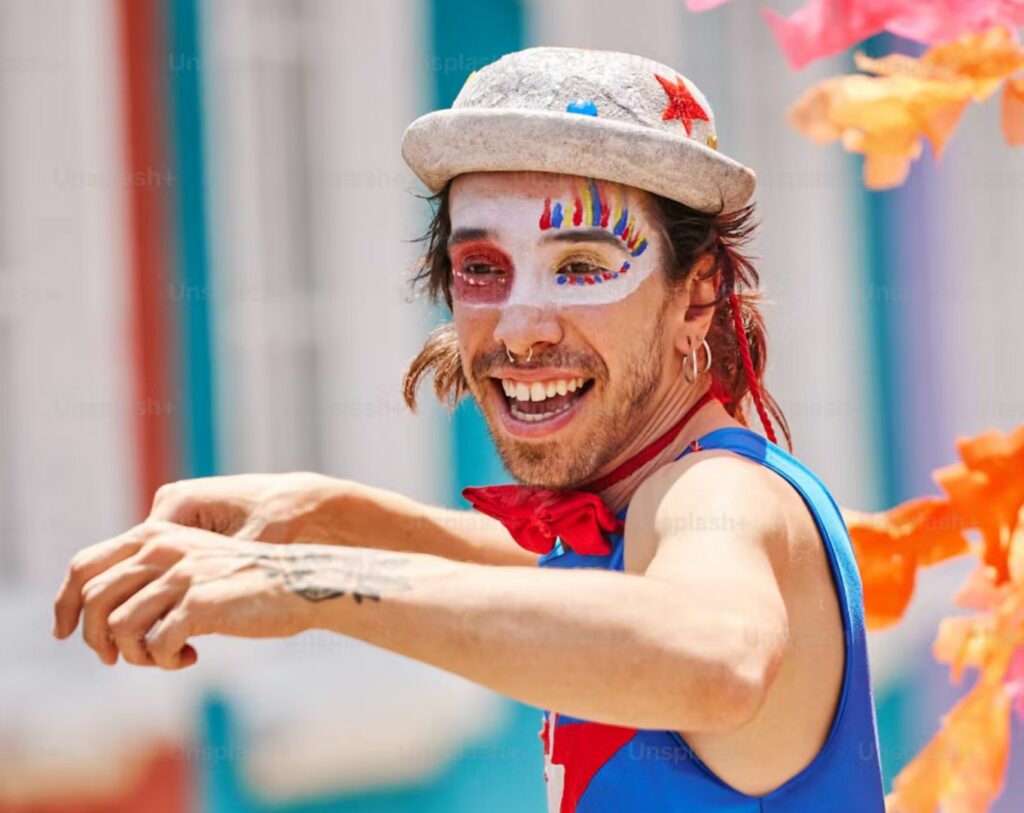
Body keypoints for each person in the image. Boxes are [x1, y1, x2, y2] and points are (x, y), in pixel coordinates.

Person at [52, 47, 886, 811]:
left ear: (695, 295)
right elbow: (579, 580)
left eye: (584, 267)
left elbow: (717, 656)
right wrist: (327, 512)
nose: (520, 328)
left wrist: (302, 578)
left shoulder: (722, 493)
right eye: (483, 269)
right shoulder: (646, 513)